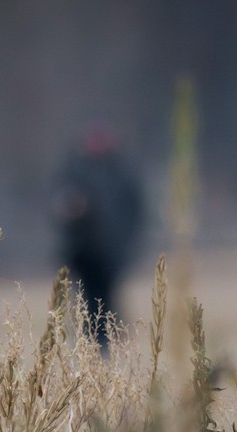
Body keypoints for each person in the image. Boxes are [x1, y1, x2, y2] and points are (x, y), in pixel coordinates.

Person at [54, 125, 144, 348]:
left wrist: (126, 241)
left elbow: (135, 212)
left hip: (111, 250)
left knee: (107, 298)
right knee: (85, 298)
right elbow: (58, 207)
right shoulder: (74, 171)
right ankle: (91, 342)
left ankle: (106, 342)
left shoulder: (121, 174)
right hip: (82, 250)